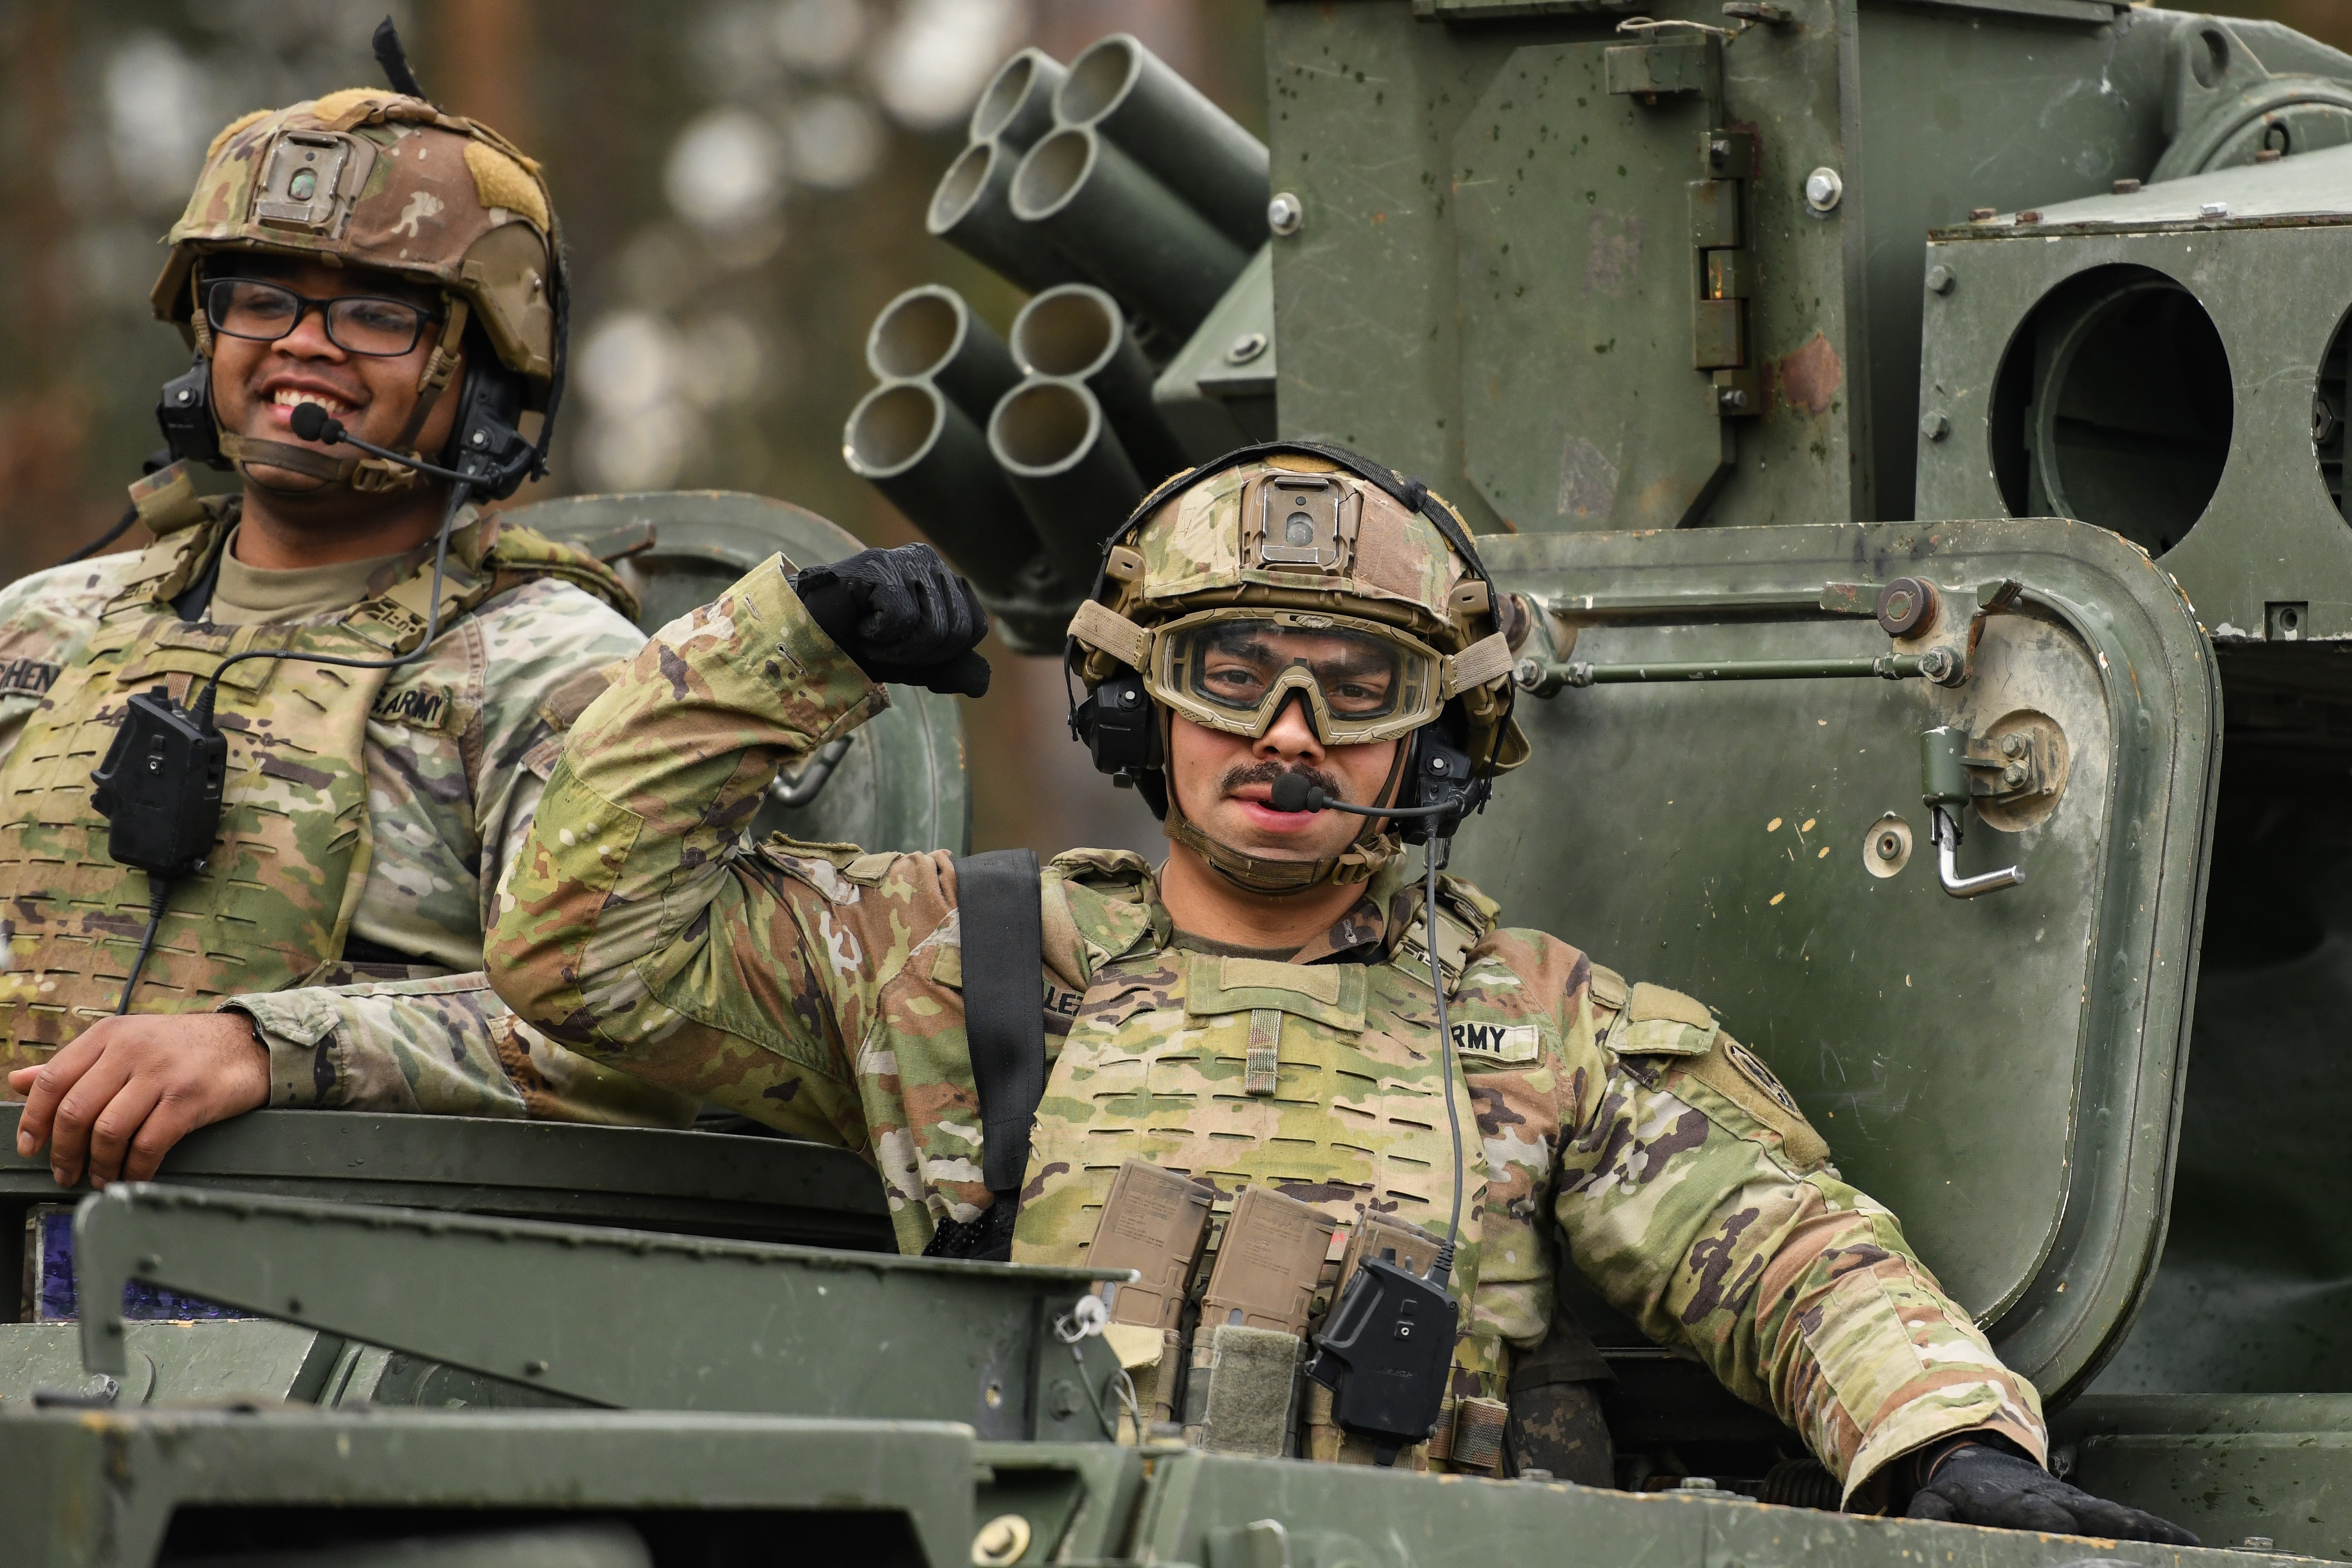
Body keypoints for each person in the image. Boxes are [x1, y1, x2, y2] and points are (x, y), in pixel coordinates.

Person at [486, 444, 2190, 1539]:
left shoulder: (1537, 1024)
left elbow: (1786, 1251)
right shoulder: (955, 961)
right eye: (1234, 671)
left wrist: (1940, 1442)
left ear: (1435, 735)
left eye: (1354, 684)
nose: (1289, 731)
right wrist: (783, 646)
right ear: (1138, 705)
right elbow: (576, 937)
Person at [2, 80, 698, 1191]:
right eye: (261, 301)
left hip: (364, 1311)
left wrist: (266, 1048)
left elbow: (645, 1028)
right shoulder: (38, 629)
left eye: (378, 314)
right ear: (204, 336)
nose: (303, 348)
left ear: (477, 374)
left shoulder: (556, 669)